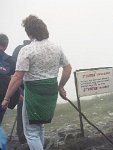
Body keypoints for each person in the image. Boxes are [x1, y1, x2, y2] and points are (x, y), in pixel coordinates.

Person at [1, 15, 72, 150]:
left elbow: (17, 77)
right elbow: (68, 68)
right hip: (50, 91)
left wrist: (7, 97)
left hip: (34, 93)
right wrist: (61, 86)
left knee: (31, 132)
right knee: (39, 126)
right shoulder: (56, 47)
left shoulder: (27, 50)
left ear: (30, 33)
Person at [12, 40, 31, 149]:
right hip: (22, 84)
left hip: (23, 84)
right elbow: (15, 69)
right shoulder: (22, 49)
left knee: (22, 110)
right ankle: (23, 136)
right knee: (22, 109)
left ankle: (23, 135)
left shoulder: (18, 49)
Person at [0, 33, 16, 124]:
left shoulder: (10, 61)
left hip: (3, 100)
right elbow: (15, 79)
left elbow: (14, 79)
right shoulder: (11, 61)